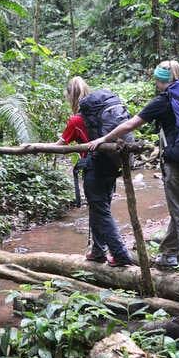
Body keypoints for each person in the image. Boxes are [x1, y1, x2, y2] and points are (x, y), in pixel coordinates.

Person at [89, 61, 179, 283]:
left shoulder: (164, 100)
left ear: (160, 80)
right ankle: (168, 255)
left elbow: (129, 125)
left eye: (156, 79)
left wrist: (103, 138)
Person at [58, 76, 134, 268]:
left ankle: (120, 254)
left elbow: (60, 145)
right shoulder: (98, 114)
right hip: (110, 165)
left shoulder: (76, 119)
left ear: (70, 96)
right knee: (99, 209)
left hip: (94, 168)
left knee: (101, 212)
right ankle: (98, 251)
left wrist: (33, 147)